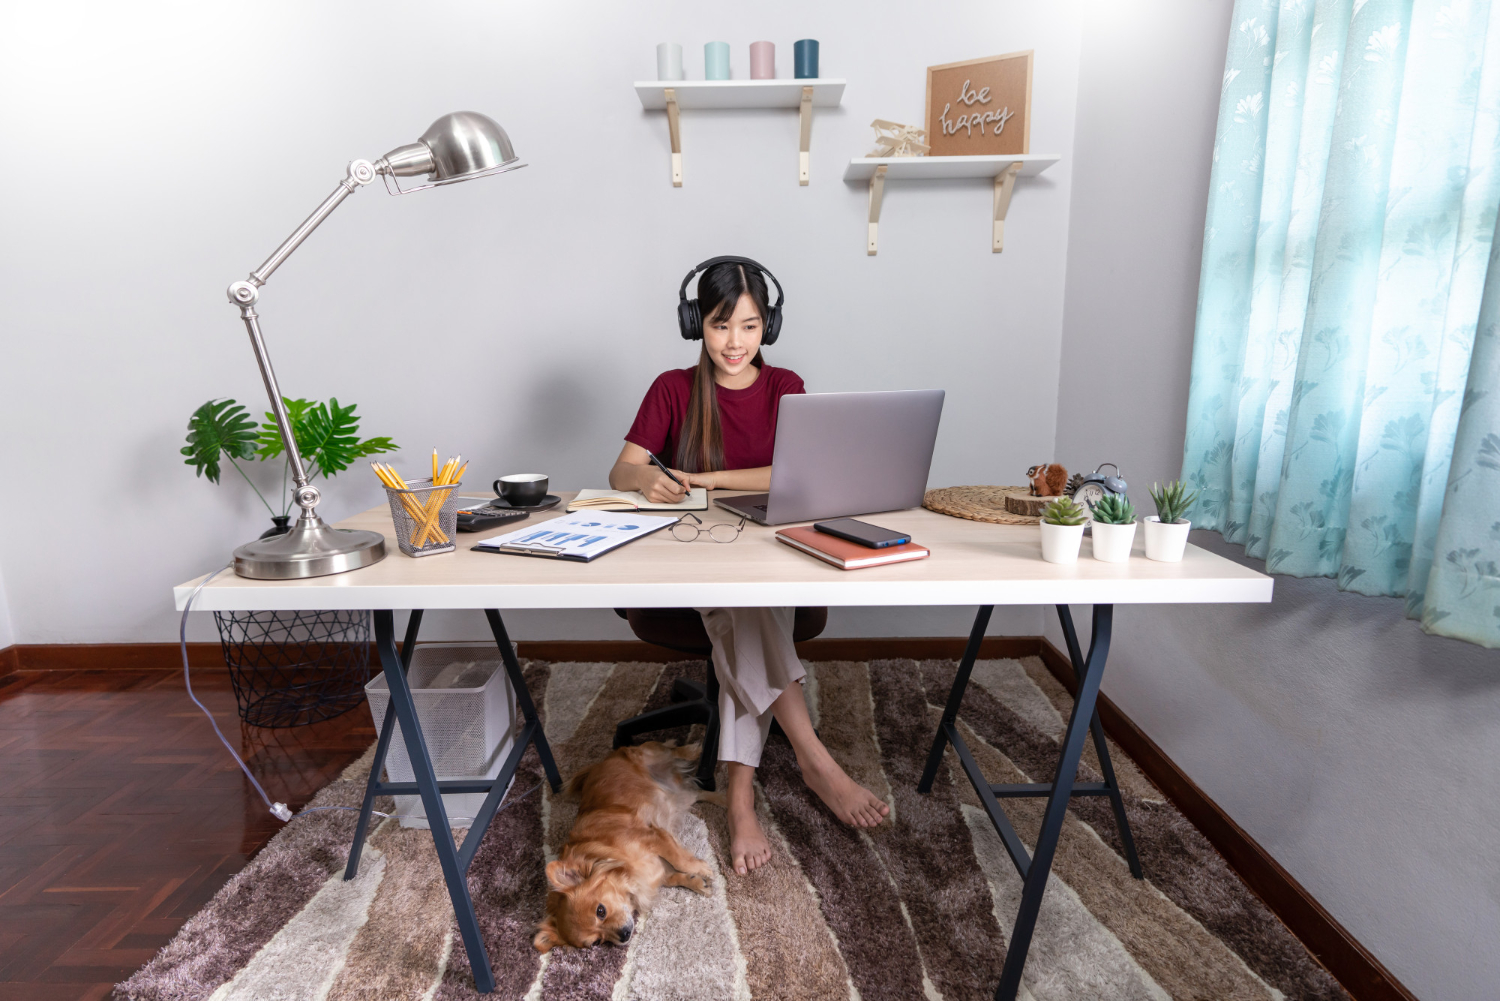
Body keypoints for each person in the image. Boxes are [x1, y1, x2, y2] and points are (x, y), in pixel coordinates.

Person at [609, 258, 889, 875]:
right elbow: (620, 472)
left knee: (747, 606)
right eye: (719, 325)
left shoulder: (786, 385)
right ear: (695, 325)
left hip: (773, 554)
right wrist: (648, 477)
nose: (735, 343)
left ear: (770, 326)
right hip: (693, 560)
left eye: (750, 326)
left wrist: (704, 477)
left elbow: (793, 473)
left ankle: (741, 800)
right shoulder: (672, 388)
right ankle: (808, 760)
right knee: (743, 603)